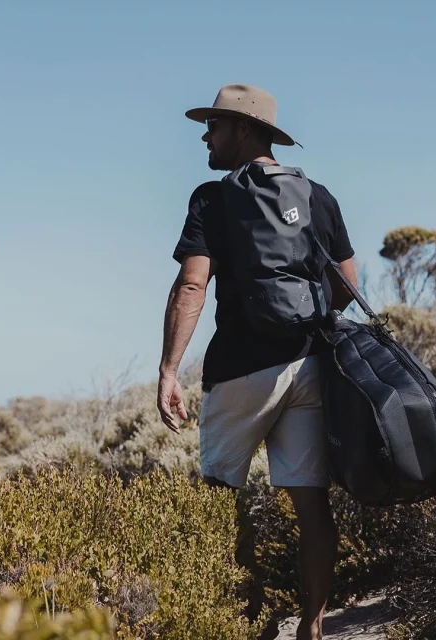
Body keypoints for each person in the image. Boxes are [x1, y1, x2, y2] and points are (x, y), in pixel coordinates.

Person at [157, 83, 358, 640]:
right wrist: (308, 321)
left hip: (240, 371)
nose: (206, 134)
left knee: (219, 504)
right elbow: (348, 283)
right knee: (312, 508)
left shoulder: (213, 197)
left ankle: (239, 624)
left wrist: (169, 370)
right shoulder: (317, 195)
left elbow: (191, 285)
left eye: (215, 125)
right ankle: (311, 629)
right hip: (310, 370)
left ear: (244, 130)